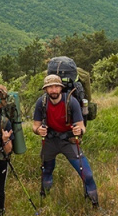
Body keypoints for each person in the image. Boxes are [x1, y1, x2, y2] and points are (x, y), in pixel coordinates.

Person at [32, 74, 99, 207]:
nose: (54, 90)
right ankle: (45, 200)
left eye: (56, 86)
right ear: (45, 89)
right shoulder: (42, 102)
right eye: (50, 87)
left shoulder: (71, 101)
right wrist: (39, 130)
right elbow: (35, 126)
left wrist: (78, 131)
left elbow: (81, 127)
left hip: (69, 140)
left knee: (87, 174)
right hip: (50, 140)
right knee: (46, 170)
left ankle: (95, 204)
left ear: (61, 88)